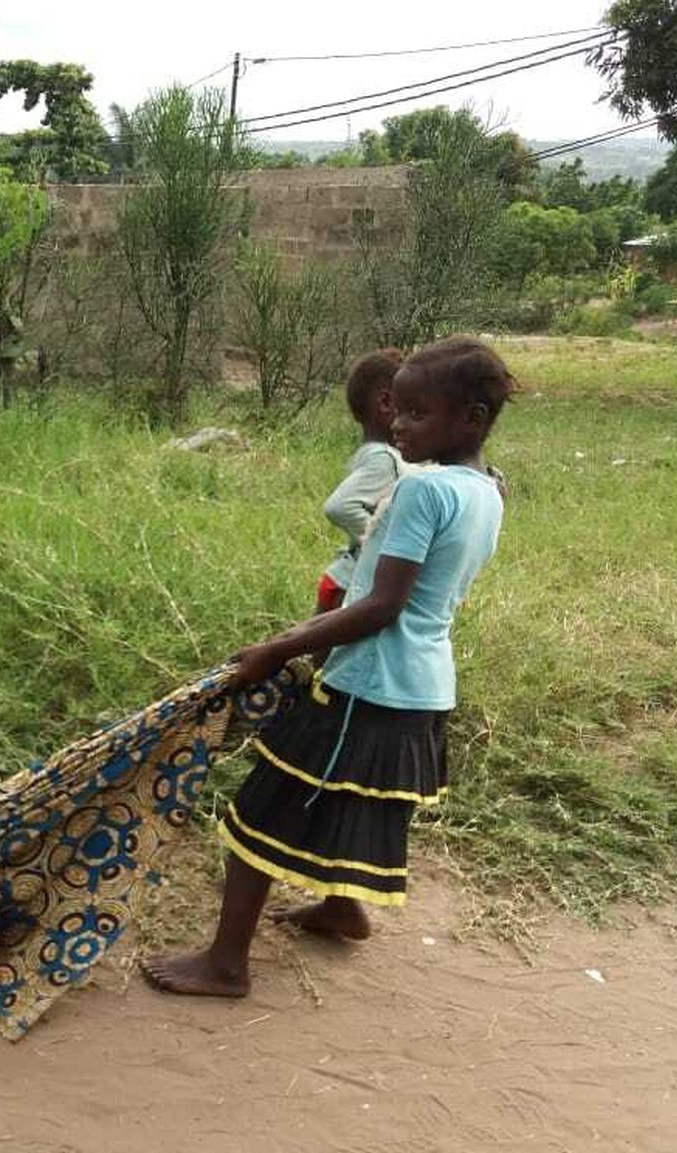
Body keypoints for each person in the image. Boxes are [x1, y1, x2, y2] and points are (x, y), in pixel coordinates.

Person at [144, 336, 510, 998]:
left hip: (369, 684)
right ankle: (343, 909)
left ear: (472, 419)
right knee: (348, 805)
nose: (398, 424)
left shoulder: (421, 491)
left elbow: (381, 607)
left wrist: (277, 649)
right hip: (422, 689)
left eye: (418, 414)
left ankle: (226, 965)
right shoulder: (488, 490)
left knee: (261, 812)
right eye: (397, 409)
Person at [317, 349, 406, 614]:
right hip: (350, 585)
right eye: (414, 406)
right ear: (386, 403)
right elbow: (339, 506)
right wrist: (384, 547)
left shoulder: (378, 455)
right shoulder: (383, 459)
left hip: (347, 581)